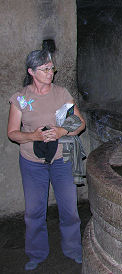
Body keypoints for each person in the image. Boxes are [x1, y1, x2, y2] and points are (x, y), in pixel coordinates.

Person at [7, 49, 85, 271]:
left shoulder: (61, 94)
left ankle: (73, 249)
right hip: (32, 162)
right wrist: (33, 136)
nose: (50, 73)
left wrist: (61, 131)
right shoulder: (21, 98)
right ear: (31, 71)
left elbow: (79, 123)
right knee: (34, 211)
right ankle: (36, 254)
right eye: (45, 69)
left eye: (52, 68)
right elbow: (12, 132)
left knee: (69, 209)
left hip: (61, 160)